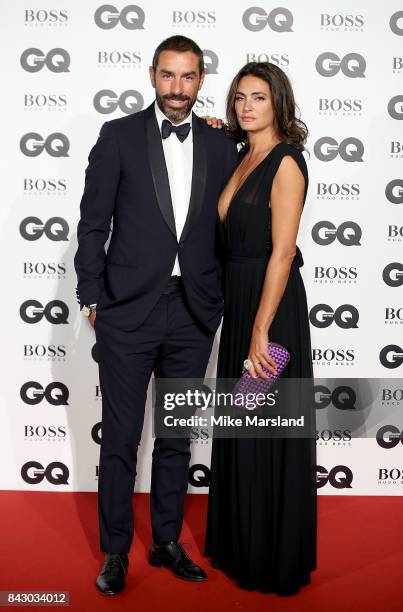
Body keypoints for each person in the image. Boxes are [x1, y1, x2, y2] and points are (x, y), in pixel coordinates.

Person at [74, 35, 238, 595]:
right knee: (120, 437)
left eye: (188, 77)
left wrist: (215, 305)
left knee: (175, 435)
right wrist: (93, 298)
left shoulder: (221, 145)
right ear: (152, 76)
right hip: (127, 311)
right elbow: (94, 221)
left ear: (201, 79)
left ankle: (166, 541)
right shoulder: (117, 136)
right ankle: (116, 550)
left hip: (192, 311)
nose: (177, 88)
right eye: (168, 76)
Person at [204, 62, 317, 595]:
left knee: (267, 430)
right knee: (243, 428)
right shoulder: (240, 157)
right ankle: (238, 544)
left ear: (279, 105)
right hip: (239, 300)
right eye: (241, 97)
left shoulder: (287, 163)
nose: (248, 106)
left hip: (271, 309)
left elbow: (283, 252)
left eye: (260, 97)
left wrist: (260, 330)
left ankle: (272, 557)